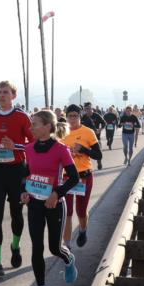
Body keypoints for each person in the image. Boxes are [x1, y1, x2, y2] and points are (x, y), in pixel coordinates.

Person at [21, 110, 79, 286]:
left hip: (55, 204)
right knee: (37, 247)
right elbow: (26, 174)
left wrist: (57, 193)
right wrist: (24, 191)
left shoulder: (61, 149)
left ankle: (69, 259)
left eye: (34, 124)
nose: (31, 127)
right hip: (35, 204)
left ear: (47, 126)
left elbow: (74, 178)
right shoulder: (29, 148)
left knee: (55, 248)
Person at [0, 81, 33, 277]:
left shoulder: (22, 116)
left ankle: (15, 245)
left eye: (5, 92)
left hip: (17, 171)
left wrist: (16, 146)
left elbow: (34, 143)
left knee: (16, 214)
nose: (1, 95)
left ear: (13, 95)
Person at [60, 105, 103, 249]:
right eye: (70, 116)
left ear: (80, 116)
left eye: (75, 116)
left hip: (84, 177)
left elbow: (98, 155)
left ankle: (83, 230)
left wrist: (83, 149)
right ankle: (67, 245)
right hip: (66, 177)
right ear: (66, 117)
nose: (73, 119)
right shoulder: (61, 132)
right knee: (67, 212)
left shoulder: (88, 132)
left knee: (81, 210)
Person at [81, 103, 106, 170]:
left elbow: (104, 123)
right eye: (86, 109)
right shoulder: (83, 117)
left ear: (92, 108)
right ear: (85, 110)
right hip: (85, 138)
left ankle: (99, 162)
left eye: (89, 108)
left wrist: (100, 129)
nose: (88, 110)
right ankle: (86, 167)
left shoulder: (97, 115)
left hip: (96, 137)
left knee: (98, 152)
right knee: (84, 153)